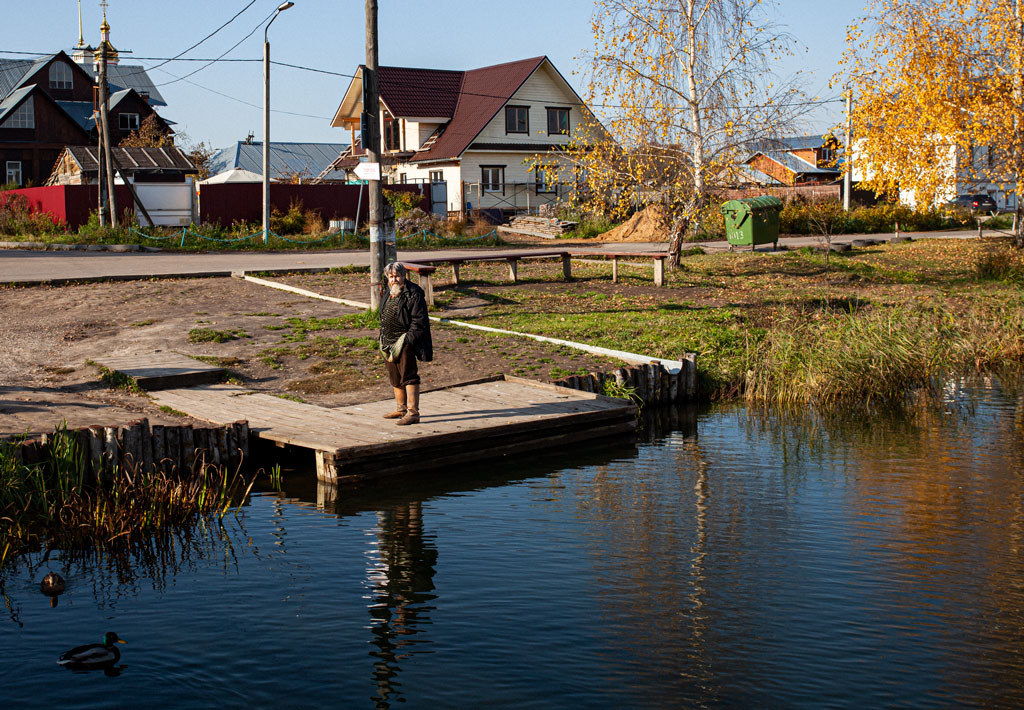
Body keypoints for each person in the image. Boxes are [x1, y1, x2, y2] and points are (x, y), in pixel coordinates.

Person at [379, 262, 433, 425]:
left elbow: (419, 321)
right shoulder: (388, 291)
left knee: (408, 375)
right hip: (388, 341)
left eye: (397, 276)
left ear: (404, 276)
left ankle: (413, 412)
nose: (394, 279)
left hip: (405, 341)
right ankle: (401, 408)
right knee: (394, 375)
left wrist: (408, 340)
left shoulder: (414, 293)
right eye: (391, 276)